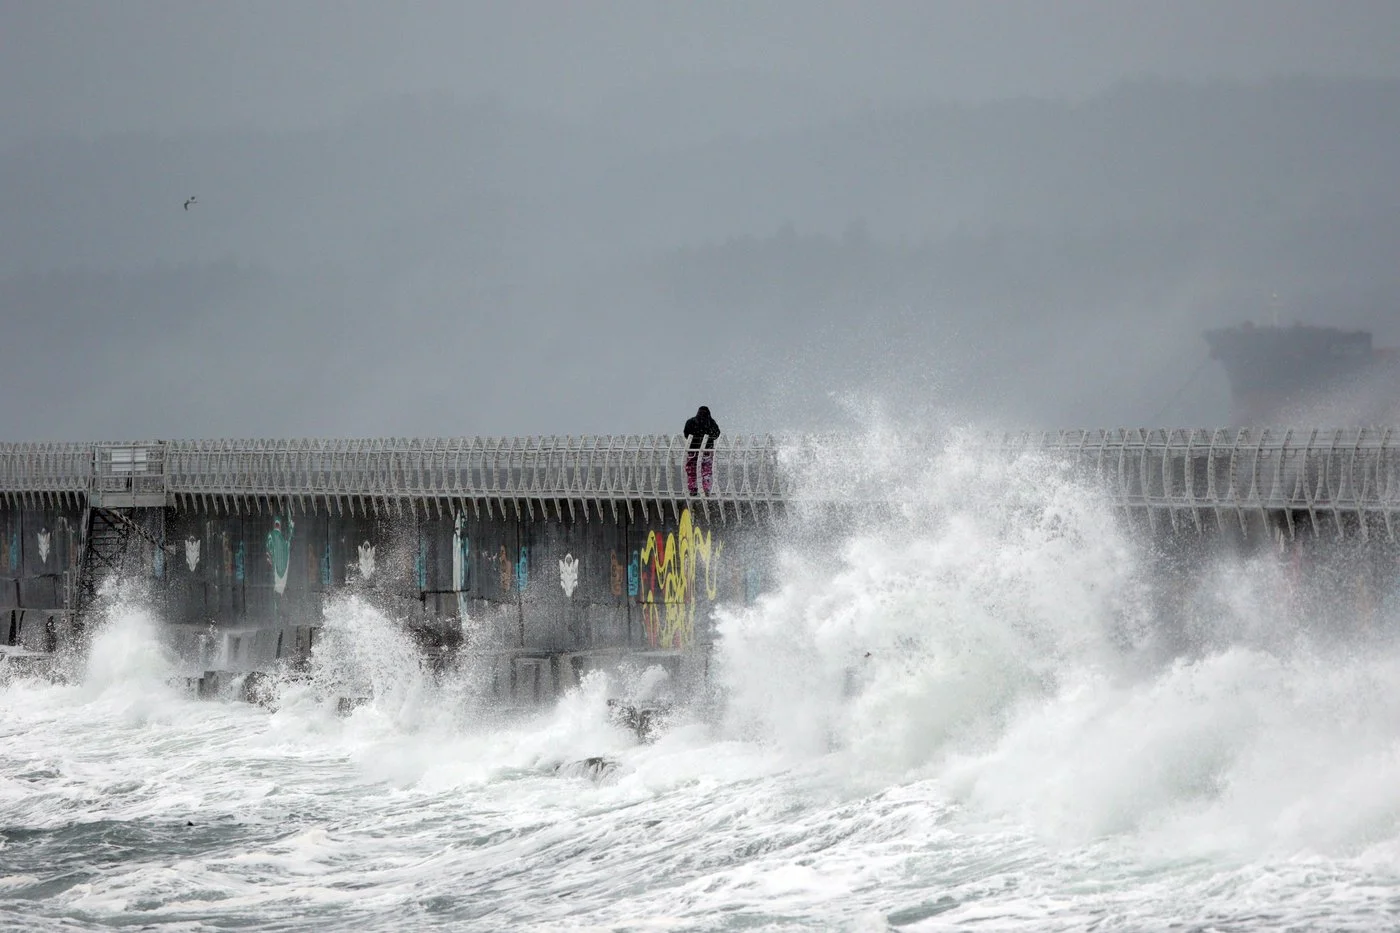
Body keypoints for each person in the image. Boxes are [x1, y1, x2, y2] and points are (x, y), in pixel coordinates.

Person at [683, 406, 721, 495]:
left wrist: (695, 439)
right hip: (706, 450)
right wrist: (707, 438)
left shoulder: (691, 422)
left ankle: (692, 489)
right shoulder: (711, 422)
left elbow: (686, 434)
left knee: (692, 470)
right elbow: (716, 434)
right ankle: (706, 489)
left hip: (693, 449)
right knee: (706, 471)